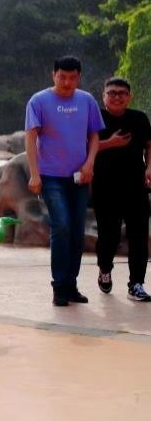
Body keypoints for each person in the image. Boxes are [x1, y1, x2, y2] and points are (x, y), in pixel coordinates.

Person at [25, 56, 104, 307]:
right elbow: (30, 137)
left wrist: (90, 163)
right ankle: (59, 286)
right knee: (61, 225)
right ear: (53, 75)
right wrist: (34, 173)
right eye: (62, 77)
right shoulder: (38, 101)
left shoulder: (87, 100)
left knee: (77, 230)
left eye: (72, 77)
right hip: (51, 176)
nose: (67, 82)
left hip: (80, 177)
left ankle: (71, 285)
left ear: (78, 77)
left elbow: (94, 135)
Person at [93, 77, 151, 302]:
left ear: (129, 97)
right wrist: (111, 143)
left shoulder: (139, 118)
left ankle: (136, 284)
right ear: (103, 96)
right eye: (112, 93)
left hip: (135, 186)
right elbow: (84, 147)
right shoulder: (94, 117)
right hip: (105, 187)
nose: (117, 97)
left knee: (139, 235)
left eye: (122, 93)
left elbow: (149, 144)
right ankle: (104, 269)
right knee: (109, 235)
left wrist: (149, 167)